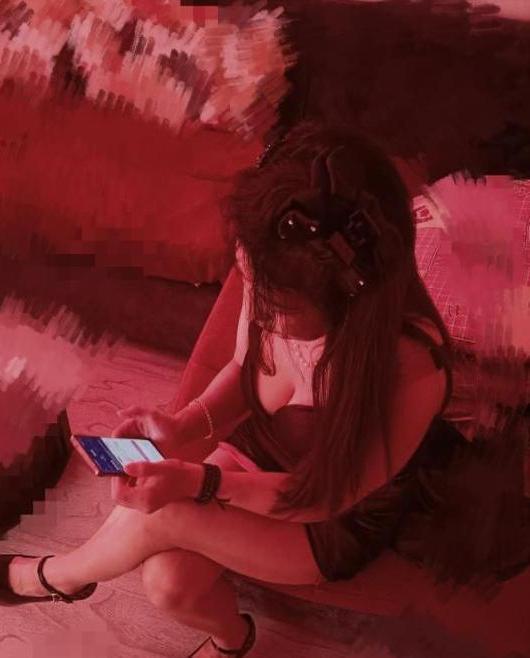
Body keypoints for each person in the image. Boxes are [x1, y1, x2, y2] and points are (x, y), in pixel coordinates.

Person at [0, 121, 522, 657]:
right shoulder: (272, 268)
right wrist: (184, 425)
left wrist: (201, 482)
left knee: (169, 516)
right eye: (248, 277)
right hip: (259, 452)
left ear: (347, 300)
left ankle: (47, 578)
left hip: (327, 510)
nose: (258, 307)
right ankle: (234, 641)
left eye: (280, 309)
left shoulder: (411, 369)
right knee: (168, 584)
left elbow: (323, 497)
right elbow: (245, 370)